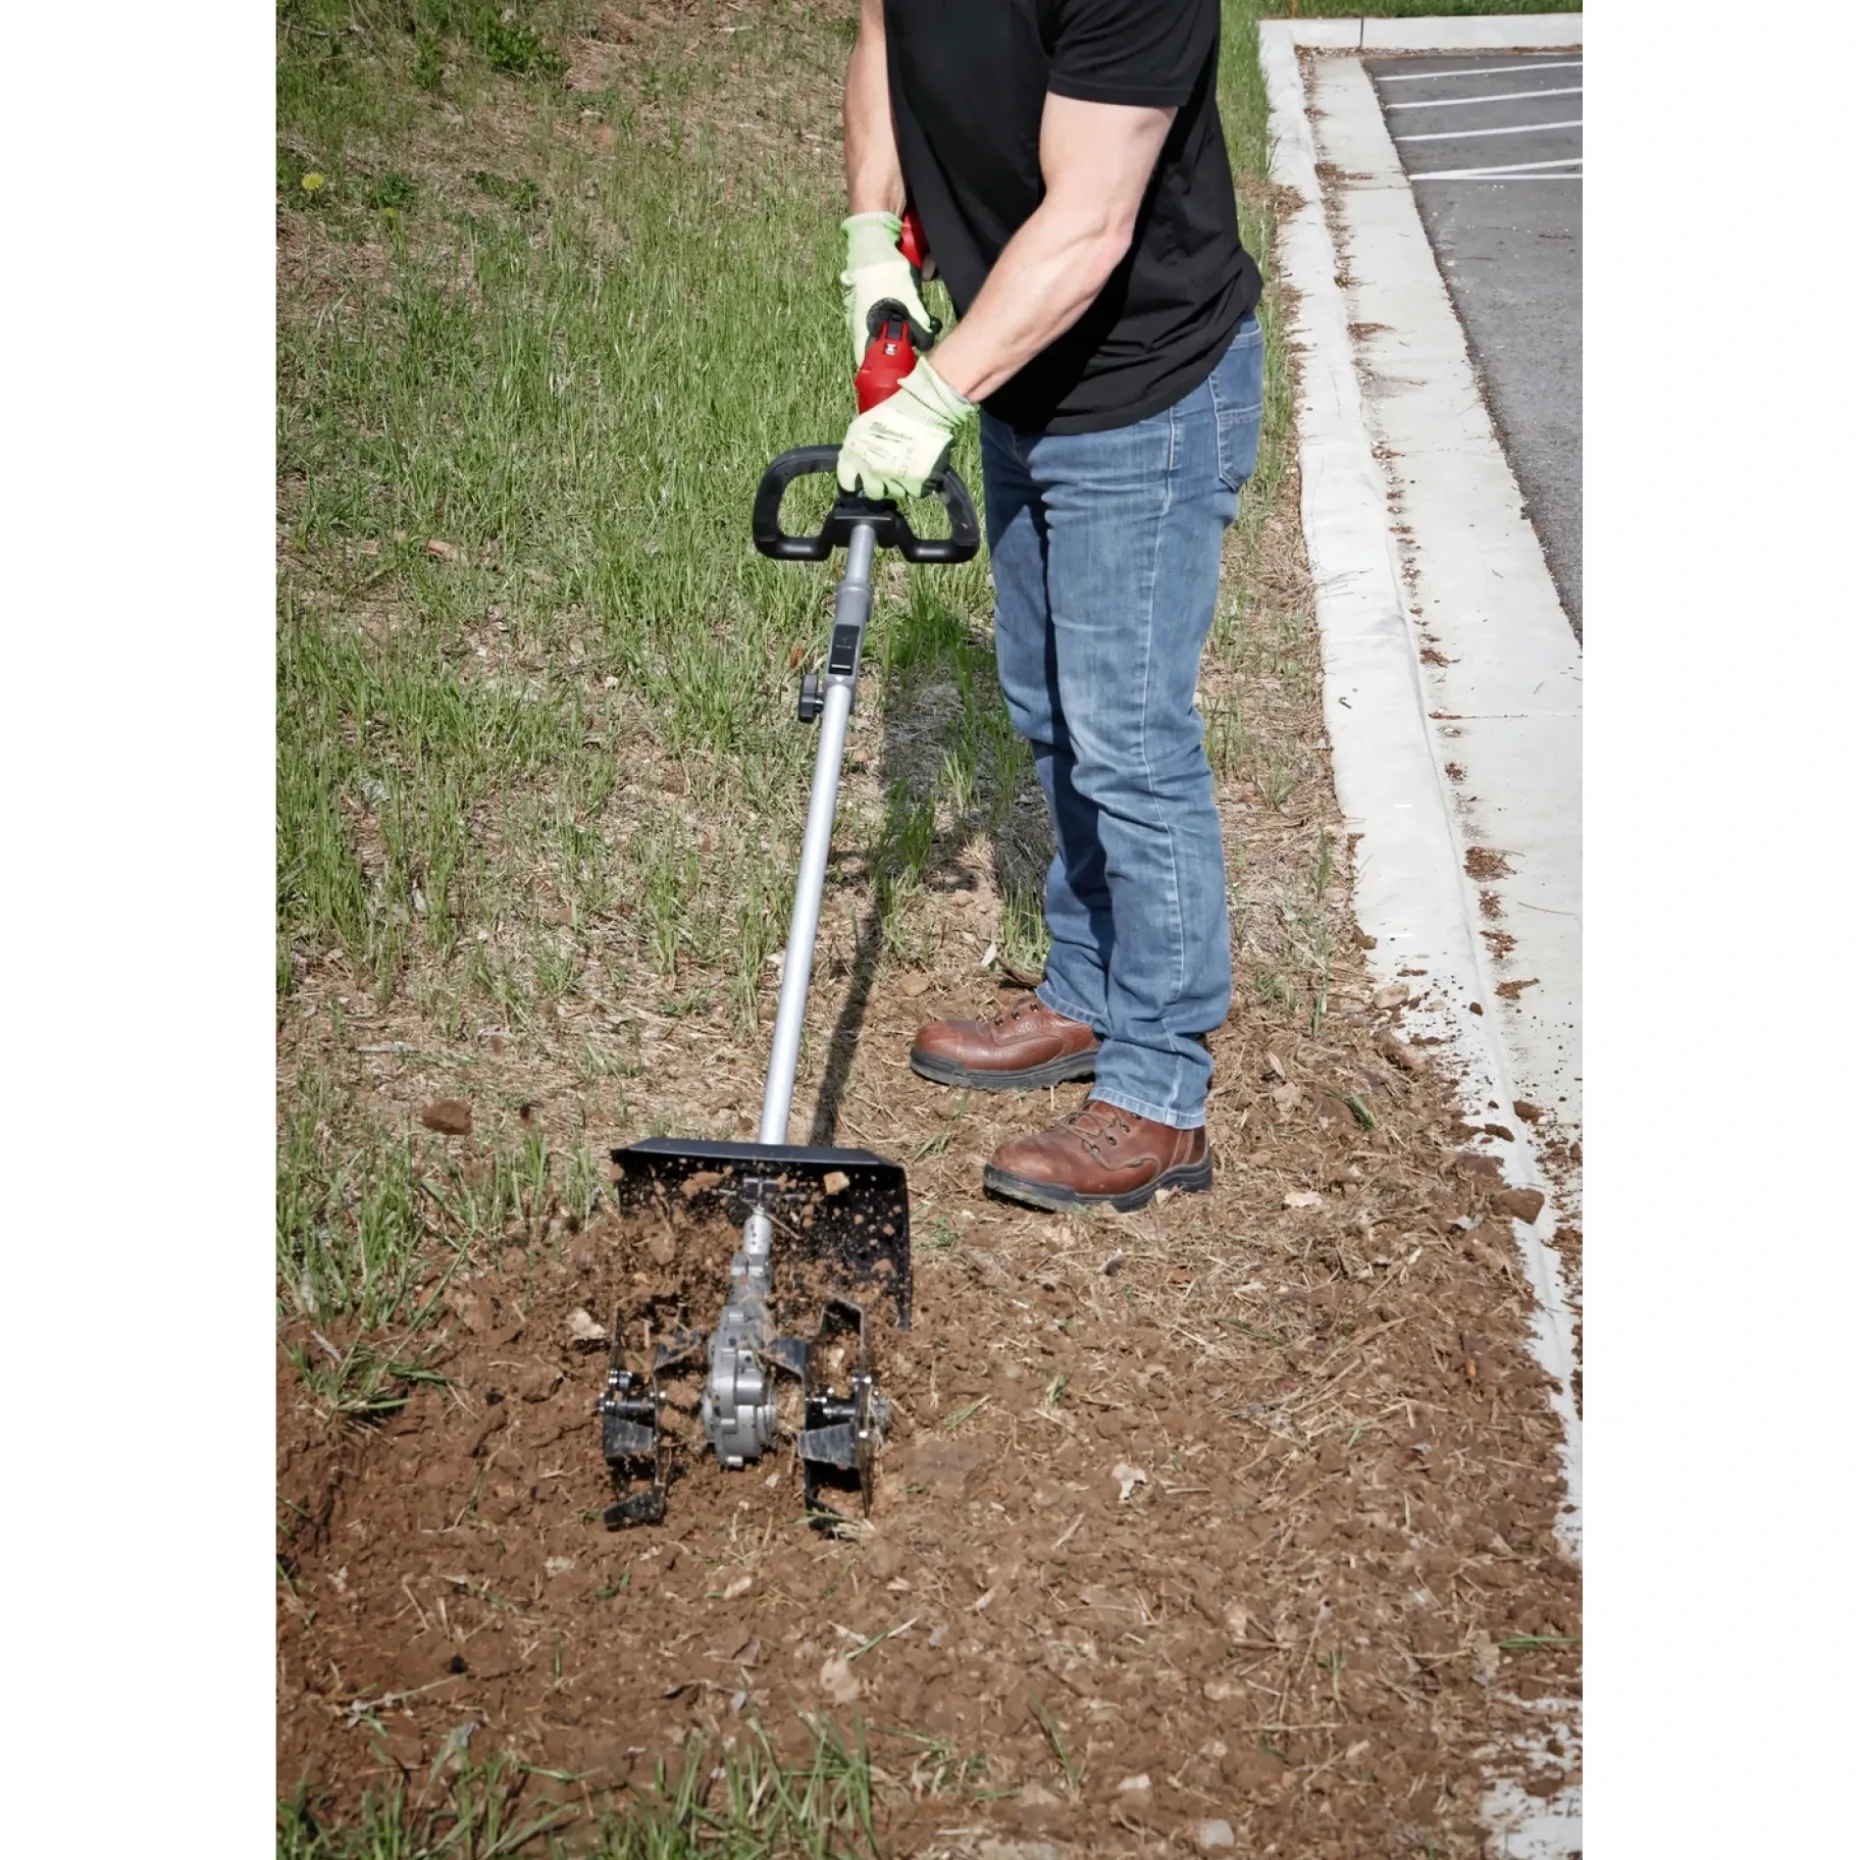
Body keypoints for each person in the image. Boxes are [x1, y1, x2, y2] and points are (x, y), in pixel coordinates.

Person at [836, 0, 1264, 1213]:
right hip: (1022, 371)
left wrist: (934, 397)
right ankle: (1089, 992)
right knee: (1046, 707)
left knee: (1128, 739)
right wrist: (873, 232)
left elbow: (1088, 224)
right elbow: (882, 28)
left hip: (1145, 385)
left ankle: (1161, 1089)